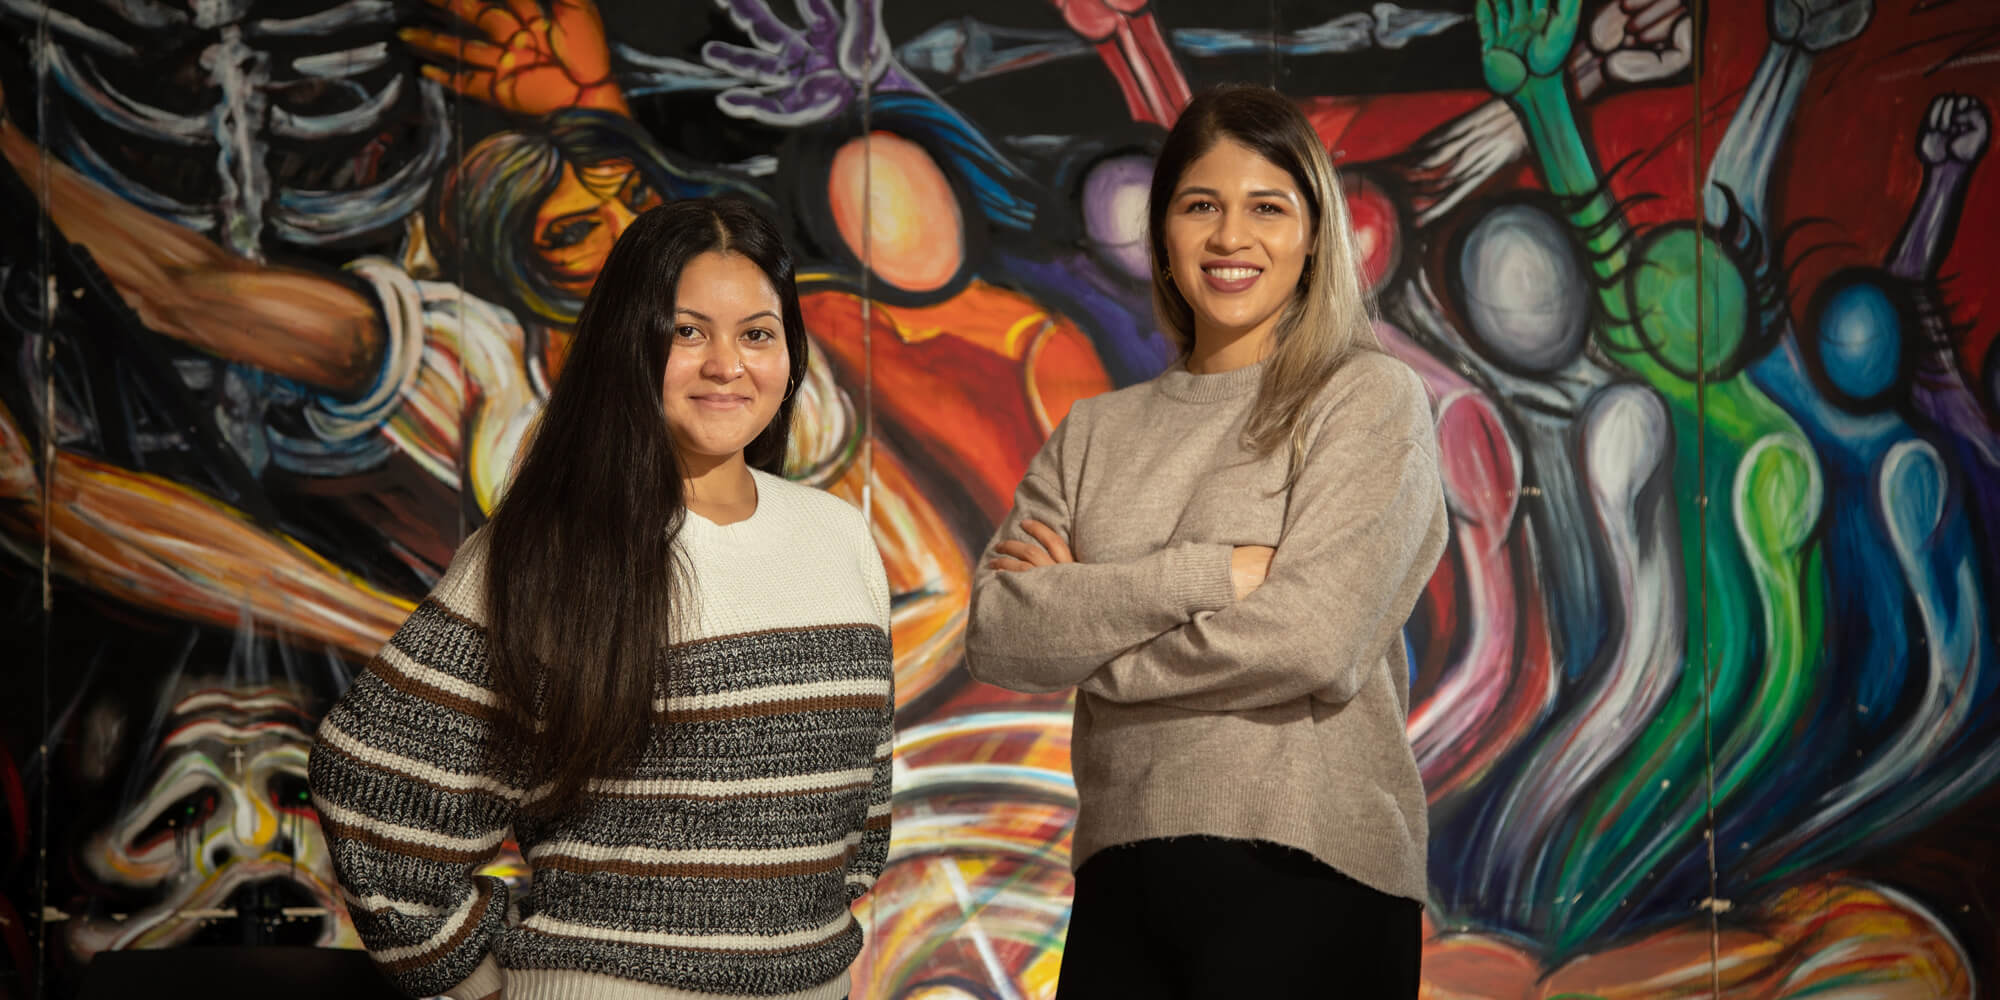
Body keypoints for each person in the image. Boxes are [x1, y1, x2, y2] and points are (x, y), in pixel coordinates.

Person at [308, 197, 895, 1000]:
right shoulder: (551, 550)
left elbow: (863, 802)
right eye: (687, 332)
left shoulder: (839, 537)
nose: (728, 364)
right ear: (630, 345)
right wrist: (473, 982)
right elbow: (370, 784)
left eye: (757, 333)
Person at [964, 84, 1448, 997]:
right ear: (1163, 238)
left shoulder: (1367, 400)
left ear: (1314, 235)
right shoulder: (1093, 433)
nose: (1231, 238)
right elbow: (1000, 630)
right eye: (1201, 206)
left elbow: (1314, 637)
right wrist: (1213, 574)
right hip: (1121, 875)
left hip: (1313, 871)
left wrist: (1098, 648)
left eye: (1268, 207)